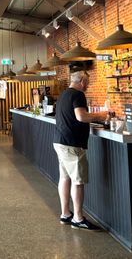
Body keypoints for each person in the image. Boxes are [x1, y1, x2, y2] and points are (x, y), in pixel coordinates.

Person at [53, 71, 108, 231]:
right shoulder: (78, 94)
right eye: (88, 82)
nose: (88, 85)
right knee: (77, 181)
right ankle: (78, 218)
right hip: (72, 144)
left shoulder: (64, 94)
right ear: (82, 81)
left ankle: (65, 214)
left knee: (64, 178)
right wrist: (101, 116)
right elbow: (81, 116)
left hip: (60, 141)